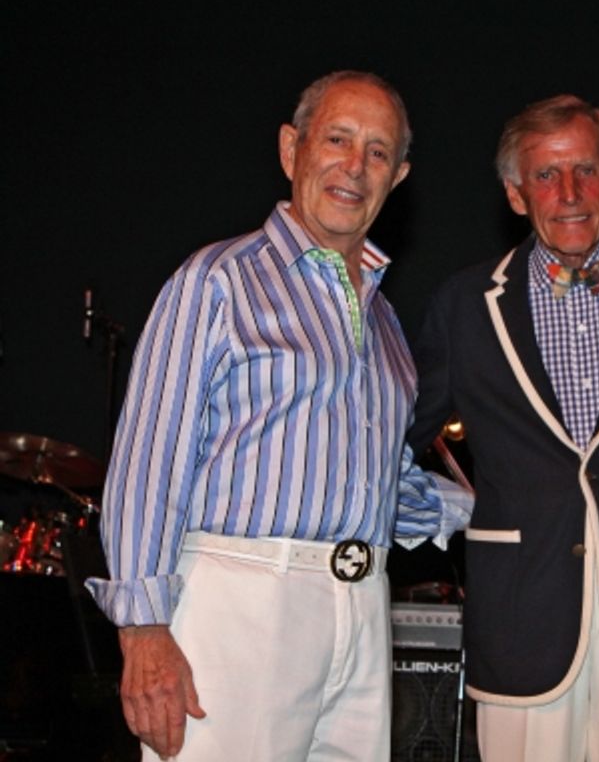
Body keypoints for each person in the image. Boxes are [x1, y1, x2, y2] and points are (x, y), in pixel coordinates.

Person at [85, 70, 471, 761]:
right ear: (292, 149)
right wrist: (142, 632)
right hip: (239, 609)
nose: (355, 166)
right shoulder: (218, 280)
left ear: (400, 175)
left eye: (378, 152)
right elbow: (149, 459)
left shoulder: (382, 323)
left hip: (361, 610)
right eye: (338, 139)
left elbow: (378, 483)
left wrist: (499, 506)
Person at [409, 95, 599, 762]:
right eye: (546, 175)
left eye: (585, 171)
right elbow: (399, 436)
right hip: (521, 617)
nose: (569, 193)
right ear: (516, 195)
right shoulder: (464, 306)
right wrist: (442, 509)